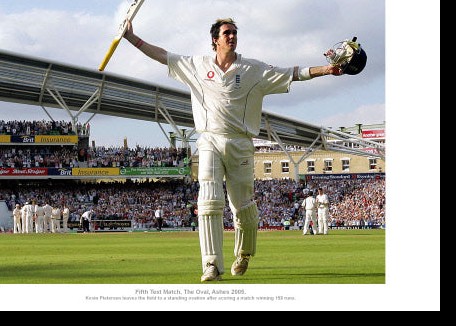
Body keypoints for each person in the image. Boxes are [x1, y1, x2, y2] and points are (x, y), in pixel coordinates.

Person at [123, 17, 341, 282]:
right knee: (209, 200)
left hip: (240, 142)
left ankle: (244, 253)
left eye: (235, 32)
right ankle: (211, 265)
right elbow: (162, 56)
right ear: (215, 39)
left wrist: (328, 70)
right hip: (209, 140)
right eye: (227, 32)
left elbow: (293, 72)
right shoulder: (196, 65)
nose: (232, 36)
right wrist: (132, 38)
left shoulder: (253, 69)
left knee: (243, 208)